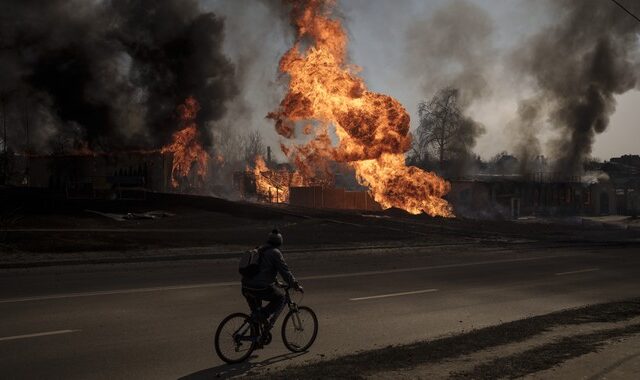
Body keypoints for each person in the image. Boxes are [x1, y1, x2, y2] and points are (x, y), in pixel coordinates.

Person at [241, 228, 302, 329]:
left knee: (256, 313)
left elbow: (263, 270)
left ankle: (256, 340)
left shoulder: (259, 249)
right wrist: (295, 284)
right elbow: (285, 272)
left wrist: (276, 282)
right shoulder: (275, 253)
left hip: (245, 286)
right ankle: (263, 315)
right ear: (279, 243)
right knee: (281, 298)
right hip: (259, 288)